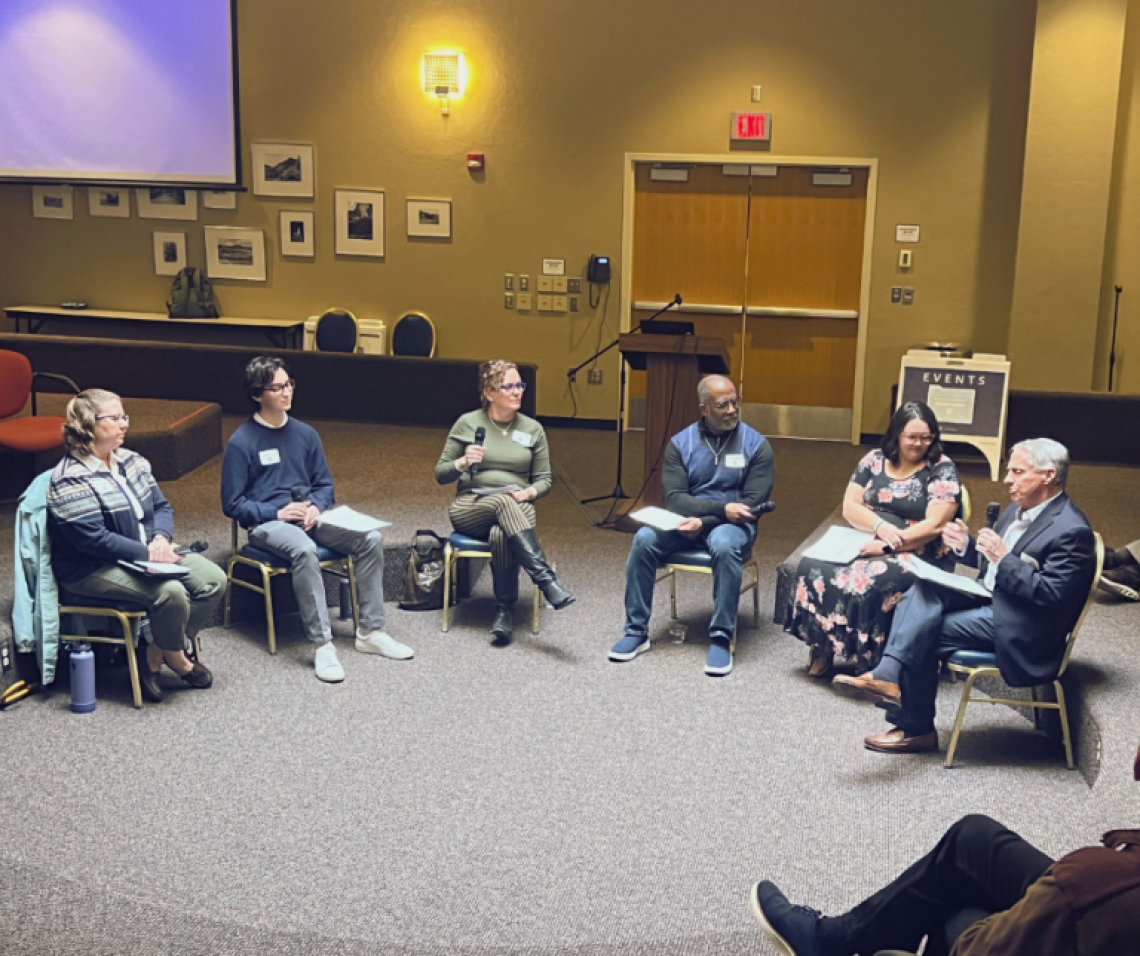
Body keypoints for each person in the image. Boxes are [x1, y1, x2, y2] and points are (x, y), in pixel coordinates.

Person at [750, 731, 1140, 956]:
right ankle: (842, 937)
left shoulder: (1094, 885)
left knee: (957, 912)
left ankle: (836, 942)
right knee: (972, 841)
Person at [833, 438, 1096, 754]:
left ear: (1047, 476)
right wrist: (966, 547)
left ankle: (913, 726)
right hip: (994, 600)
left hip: (1026, 625)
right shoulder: (1018, 509)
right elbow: (992, 565)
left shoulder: (1071, 530)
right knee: (919, 592)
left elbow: (1051, 595)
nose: (1007, 479)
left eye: (1017, 471)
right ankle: (889, 678)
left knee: (922, 626)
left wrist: (1003, 557)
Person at [221, 356, 412, 682]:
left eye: (288, 384)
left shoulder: (306, 434)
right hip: (268, 524)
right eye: (277, 387)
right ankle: (323, 644)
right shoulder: (242, 441)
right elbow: (233, 503)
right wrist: (276, 512)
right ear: (257, 395)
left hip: (310, 518)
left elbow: (324, 485)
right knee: (304, 551)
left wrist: (315, 508)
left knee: (371, 539)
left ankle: (371, 632)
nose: (286, 392)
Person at [46, 389, 224, 702]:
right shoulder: (69, 478)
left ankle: (156, 649)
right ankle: (178, 659)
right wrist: (150, 554)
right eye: (114, 418)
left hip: (146, 553)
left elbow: (160, 507)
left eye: (124, 416)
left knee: (214, 580)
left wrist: (161, 539)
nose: (124, 423)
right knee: (170, 593)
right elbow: (94, 540)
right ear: (88, 425)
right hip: (91, 568)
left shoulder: (132, 460)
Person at [608, 375, 773, 676]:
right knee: (644, 539)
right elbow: (676, 501)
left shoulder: (757, 445)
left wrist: (708, 519)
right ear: (703, 408)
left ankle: (722, 637)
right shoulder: (679, 444)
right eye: (723, 405)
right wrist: (719, 509)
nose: (733, 409)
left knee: (724, 545)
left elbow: (751, 503)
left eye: (736, 402)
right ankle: (636, 631)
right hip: (688, 521)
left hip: (733, 526)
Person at [784, 402, 961, 678]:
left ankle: (874, 661)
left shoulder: (941, 469)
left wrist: (891, 543)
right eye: (911, 436)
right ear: (897, 434)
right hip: (868, 536)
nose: (918, 444)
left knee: (870, 578)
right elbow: (849, 506)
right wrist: (879, 525)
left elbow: (935, 524)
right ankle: (823, 645)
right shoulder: (874, 459)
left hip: (919, 549)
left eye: (926, 437)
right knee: (812, 564)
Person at [434, 360, 573, 645]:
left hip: (518, 506)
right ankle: (544, 579)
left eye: (520, 385)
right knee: (500, 503)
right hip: (472, 506)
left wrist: (528, 494)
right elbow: (440, 474)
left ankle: (504, 610)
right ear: (489, 392)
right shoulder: (468, 423)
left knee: (501, 532)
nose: (517, 392)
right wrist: (462, 462)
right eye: (508, 386)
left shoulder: (533, 429)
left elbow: (545, 480)